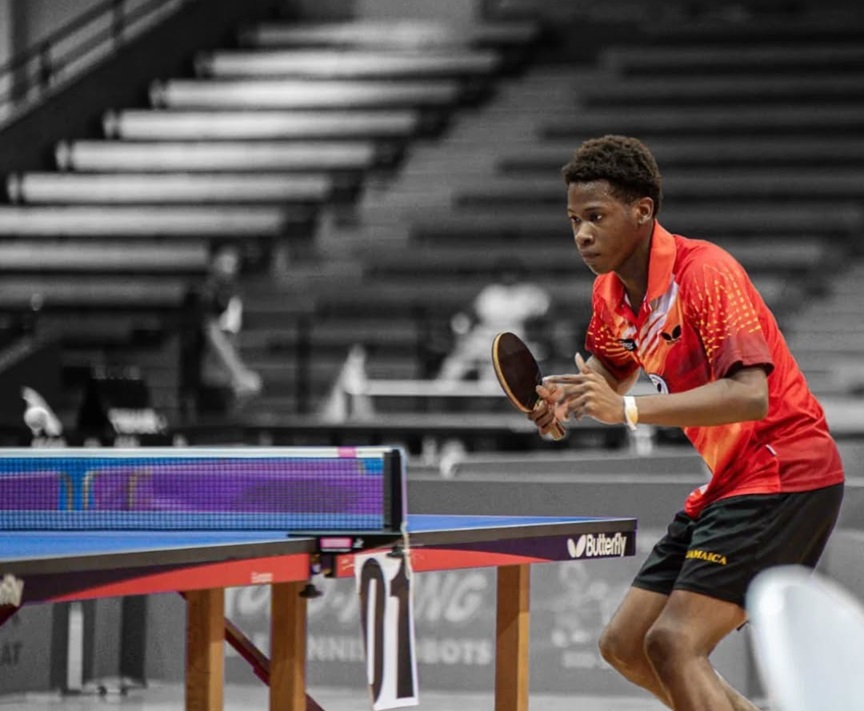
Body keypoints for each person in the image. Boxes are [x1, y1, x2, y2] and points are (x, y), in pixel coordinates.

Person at [529, 135, 845, 711]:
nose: (582, 234)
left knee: (674, 643)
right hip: (730, 480)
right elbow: (612, 367)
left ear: (642, 210)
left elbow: (750, 395)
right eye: (574, 220)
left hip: (785, 471)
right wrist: (568, 397)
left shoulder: (705, 273)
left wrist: (626, 409)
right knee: (626, 645)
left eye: (596, 216)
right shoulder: (610, 293)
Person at [179, 241, 262, 420]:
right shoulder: (202, 294)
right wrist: (238, 373)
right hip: (203, 380)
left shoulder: (232, 295)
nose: (229, 268)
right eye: (224, 261)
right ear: (212, 262)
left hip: (222, 380)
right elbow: (213, 334)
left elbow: (229, 336)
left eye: (233, 263)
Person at [436, 256, 551, 384]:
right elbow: (470, 315)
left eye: (512, 272)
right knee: (455, 364)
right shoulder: (490, 292)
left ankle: (488, 391)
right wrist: (461, 330)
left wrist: (534, 335)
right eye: (505, 272)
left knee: (492, 377)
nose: (509, 276)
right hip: (483, 335)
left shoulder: (531, 294)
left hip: (513, 336)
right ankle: (441, 390)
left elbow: (543, 318)